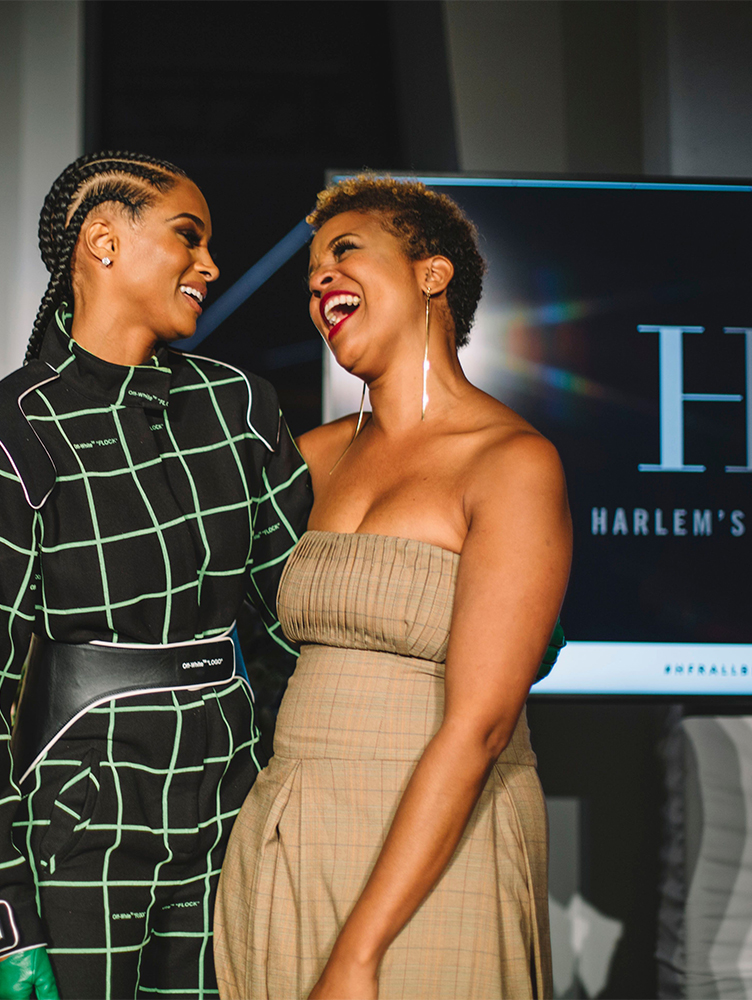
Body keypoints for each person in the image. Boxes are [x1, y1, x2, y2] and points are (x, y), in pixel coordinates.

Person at [0, 151, 312, 1000]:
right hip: (81, 819)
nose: (210, 265)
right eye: (188, 237)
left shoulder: (241, 407)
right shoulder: (3, 435)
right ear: (103, 240)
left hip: (234, 803)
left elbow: (302, 622)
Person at [214, 175, 572, 1000]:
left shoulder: (512, 463)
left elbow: (481, 726)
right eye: (312, 273)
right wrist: (31, 426)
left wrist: (360, 952)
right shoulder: (309, 457)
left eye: (346, 251)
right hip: (293, 829)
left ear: (431, 274)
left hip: (437, 849)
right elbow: (149, 519)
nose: (320, 281)